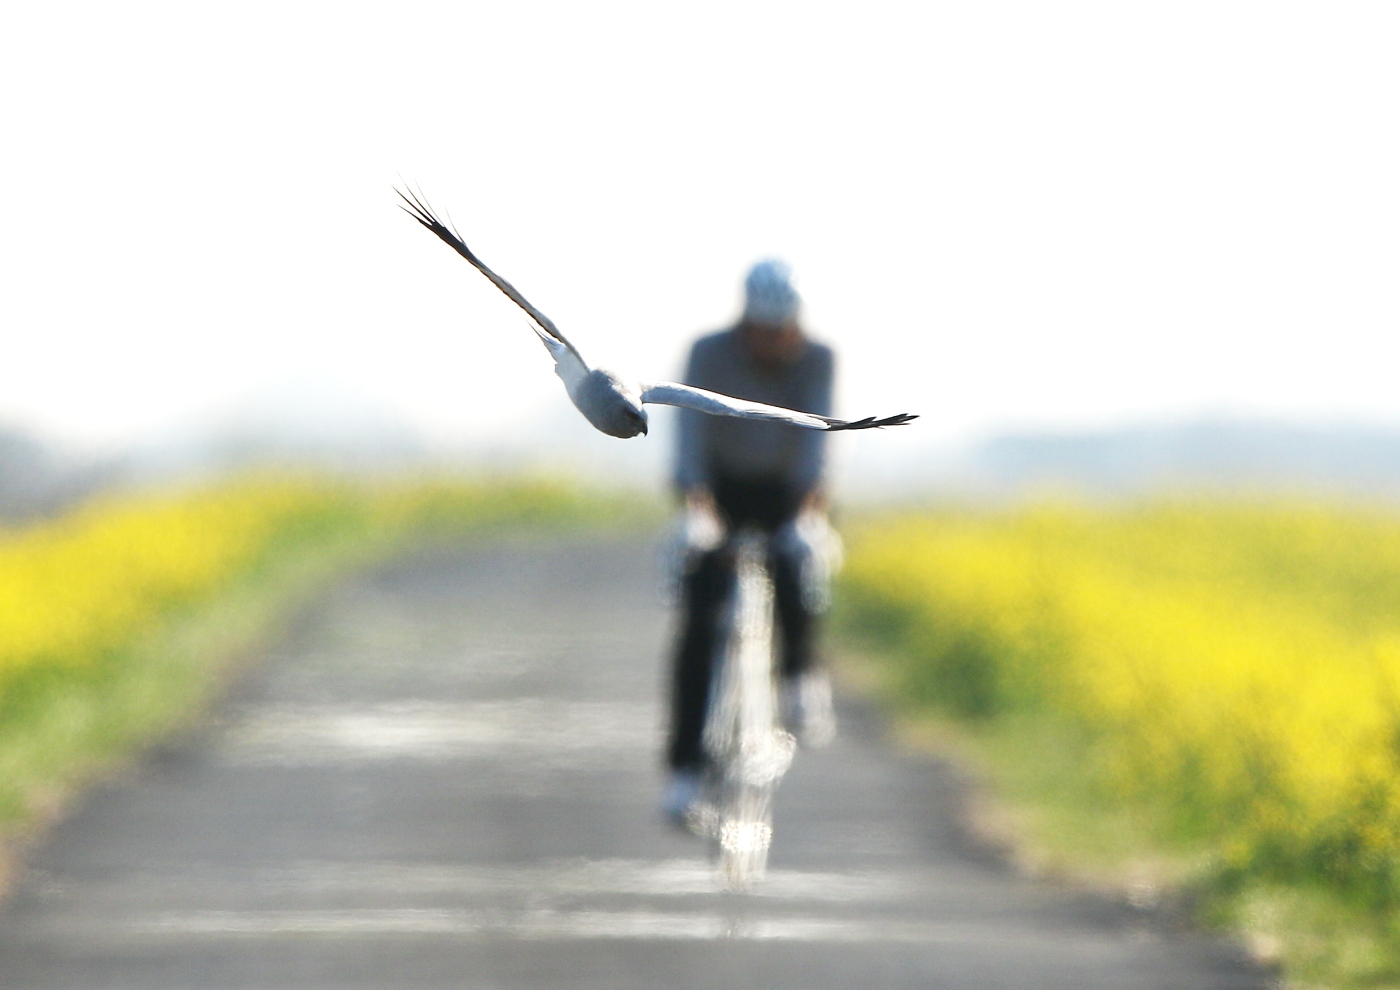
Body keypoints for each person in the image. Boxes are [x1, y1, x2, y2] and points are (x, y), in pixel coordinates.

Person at [662, 259, 839, 824]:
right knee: (698, 620)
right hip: (718, 490)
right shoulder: (708, 354)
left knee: (796, 567)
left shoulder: (818, 360)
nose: (771, 345)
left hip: (787, 492)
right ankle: (683, 771)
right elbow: (689, 436)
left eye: (780, 332)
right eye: (760, 333)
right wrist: (701, 513)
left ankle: (799, 677)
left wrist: (806, 515)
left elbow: (818, 442)